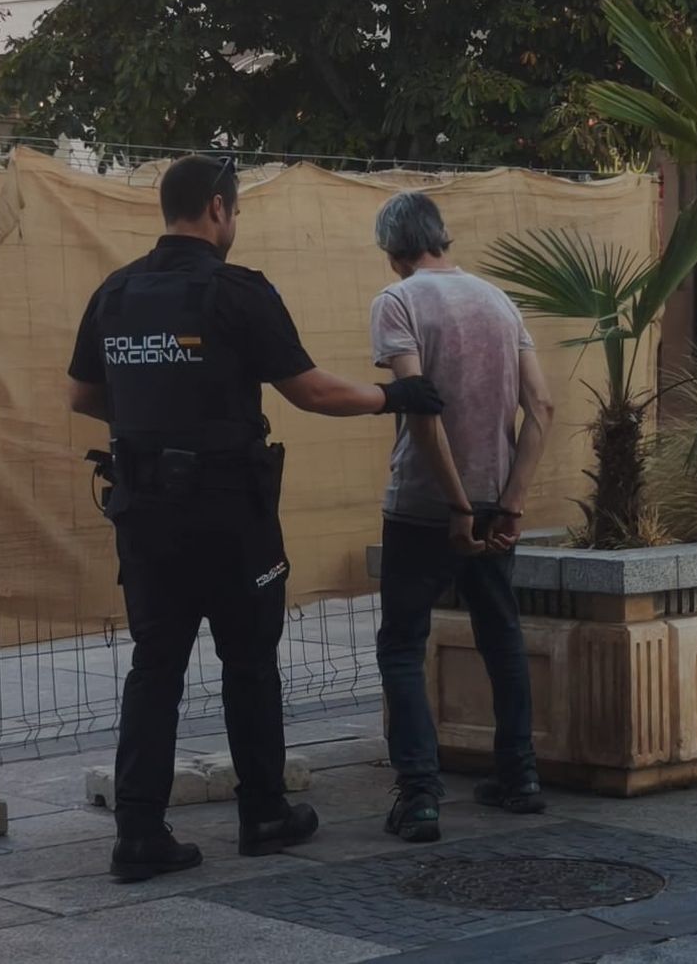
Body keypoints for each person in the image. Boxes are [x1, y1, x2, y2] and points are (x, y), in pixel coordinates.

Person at [67, 154, 444, 882]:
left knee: (156, 665)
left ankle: (139, 831)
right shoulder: (238, 291)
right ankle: (264, 814)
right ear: (217, 209)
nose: (233, 223)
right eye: (233, 211)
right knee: (248, 661)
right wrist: (394, 398)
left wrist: (157, 410)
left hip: (144, 512)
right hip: (228, 513)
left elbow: (83, 394)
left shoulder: (114, 294)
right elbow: (309, 391)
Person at [369, 191, 555, 844]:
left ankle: (420, 796)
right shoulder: (500, 300)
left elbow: (421, 409)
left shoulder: (397, 301)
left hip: (424, 503)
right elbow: (545, 407)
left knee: (401, 642)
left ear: (393, 250)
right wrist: (510, 503)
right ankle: (520, 776)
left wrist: (454, 505)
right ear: (442, 237)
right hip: (494, 495)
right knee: (501, 633)